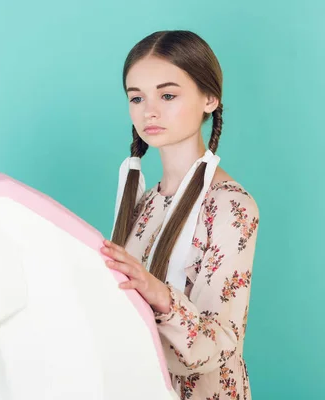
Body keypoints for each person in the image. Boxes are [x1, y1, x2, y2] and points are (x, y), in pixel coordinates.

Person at [101, 30, 260, 399]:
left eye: (168, 95)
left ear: (210, 98)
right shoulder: (142, 203)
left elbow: (221, 344)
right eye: (136, 97)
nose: (149, 110)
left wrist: (159, 294)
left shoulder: (231, 206)